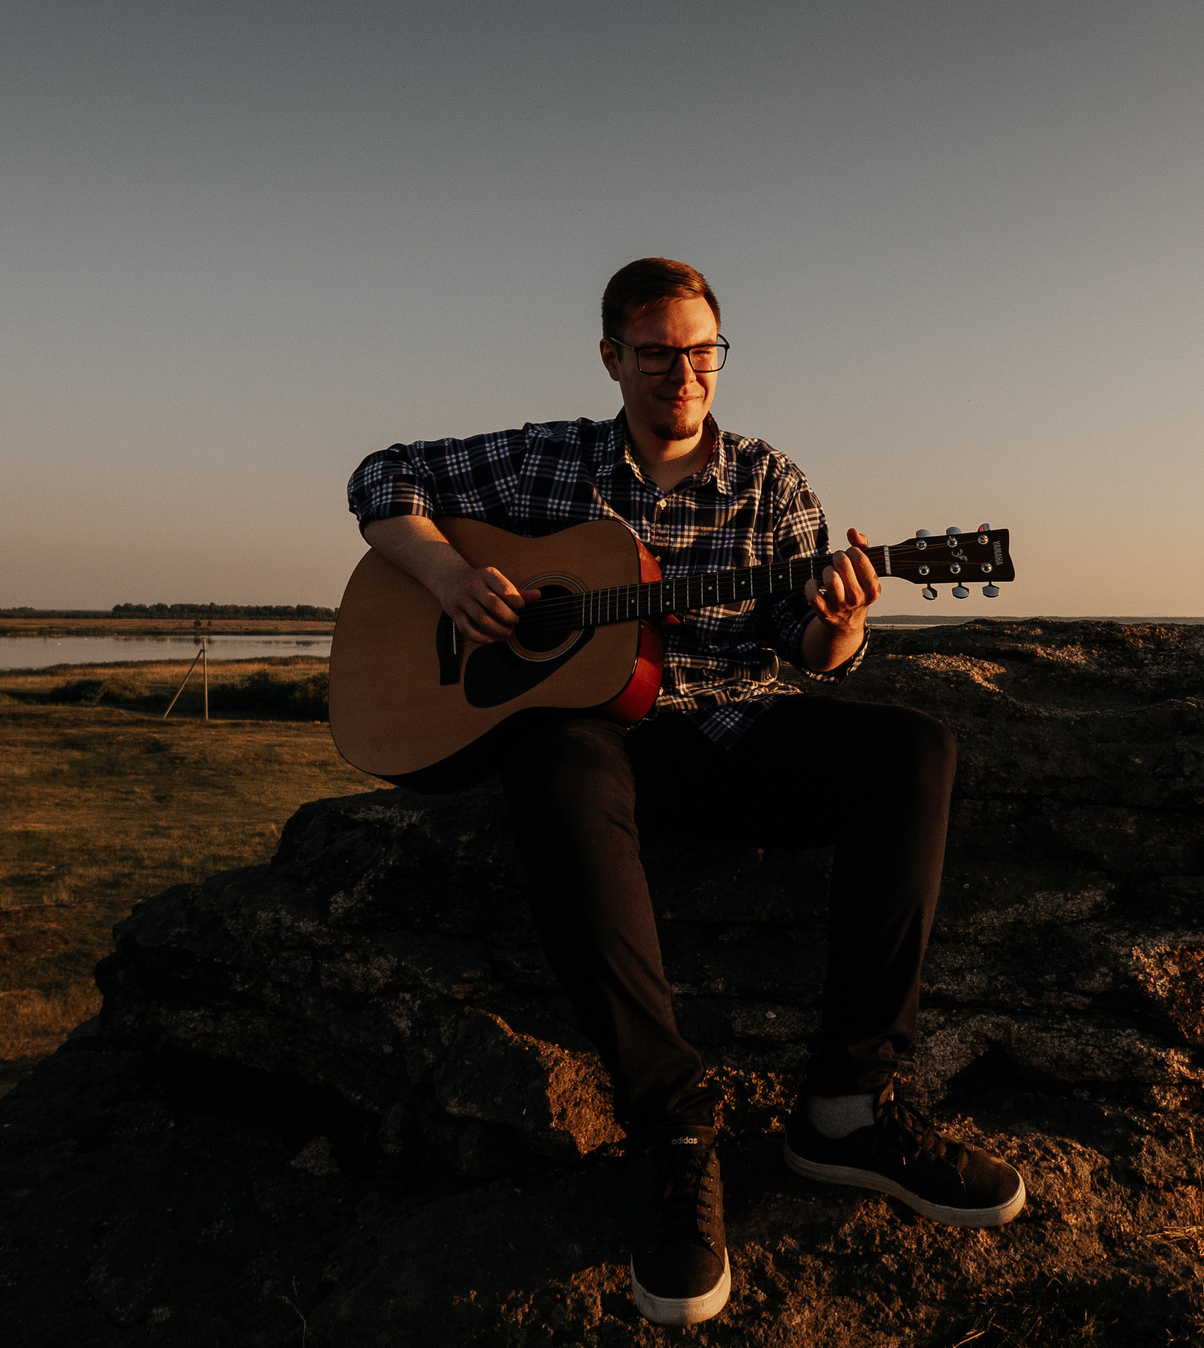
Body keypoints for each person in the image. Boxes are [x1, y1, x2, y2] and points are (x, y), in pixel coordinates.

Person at [346, 257, 1025, 1326]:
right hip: (598, 751)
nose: (683, 372)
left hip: (736, 728)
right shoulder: (545, 461)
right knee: (556, 759)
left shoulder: (770, 483)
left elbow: (800, 644)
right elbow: (380, 479)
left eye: (702, 350)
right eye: (657, 352)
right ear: (612, 357)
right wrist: (449, 578)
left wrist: (841, 620)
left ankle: (845, 1111)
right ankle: (671, 1130)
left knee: (914, 749)